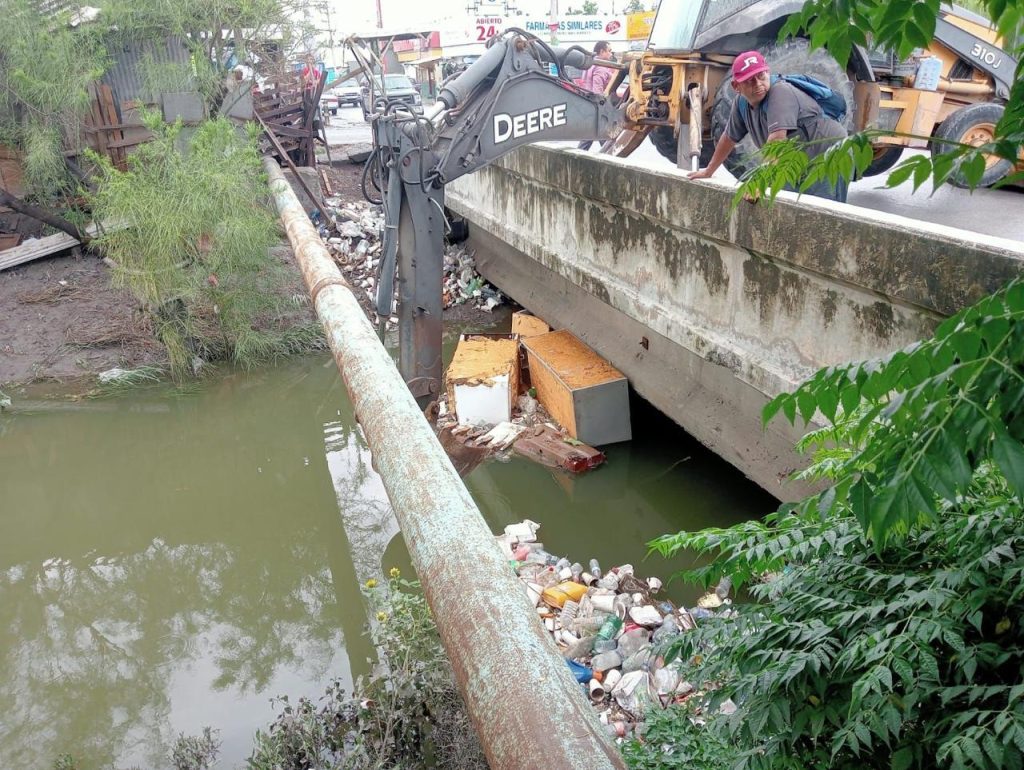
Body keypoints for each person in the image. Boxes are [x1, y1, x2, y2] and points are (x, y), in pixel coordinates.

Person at [688, 50, 849, 203]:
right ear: (736, 86)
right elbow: (728, 138)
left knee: (821, 210)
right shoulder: (741, 102)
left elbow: (777, 140)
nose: (758, 84)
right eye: (750, 80)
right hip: (794, 158)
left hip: (828, 153)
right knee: (785, 205)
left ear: (768, 72)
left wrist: (759, 182)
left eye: (761, 76)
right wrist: (708, 171)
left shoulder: (780, 92)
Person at [578, 41, 615, 151]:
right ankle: (610, 158)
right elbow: (598, 91)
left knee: (590, 136)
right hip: (597, 107)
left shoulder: (590, 65)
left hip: (588, 104)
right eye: (609, 51)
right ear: (602, 51)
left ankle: (576, 157)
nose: (611, 54)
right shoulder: (601, 67)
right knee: (604, 138)